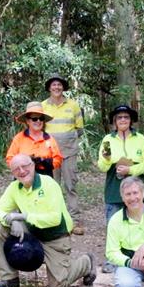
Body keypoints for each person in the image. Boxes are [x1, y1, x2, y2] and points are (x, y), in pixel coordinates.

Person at [0, 154, 95, 287]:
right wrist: (12, 221)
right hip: (33, 233)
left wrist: (23, 216)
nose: (21, 171)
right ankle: (9, 278)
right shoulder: (14, 187)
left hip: (55, 237)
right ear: (13, 173)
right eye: (16, 169)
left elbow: (55, 219)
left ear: (32, 166)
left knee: (57, 286)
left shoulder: (48, 184)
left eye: (25, 166)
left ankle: (86, 263)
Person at [97, 104, 144, 272]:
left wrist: (131, 170)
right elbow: (102, 165)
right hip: (114, 185)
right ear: (115, 121)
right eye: (119, 117)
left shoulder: (139, 138)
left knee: (138, 221)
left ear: (131, 120)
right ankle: (112, 259)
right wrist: (107, 160)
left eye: (126, 117)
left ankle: (140, 256)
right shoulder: (108, 139)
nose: (123, 120)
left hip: (136, 184)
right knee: (113, 221)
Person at [41, 73, 85, 234]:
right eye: (53, 85)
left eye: (59, 85)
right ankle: (55, 219)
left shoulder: (73, 105)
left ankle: (73, 221)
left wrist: (67, 140)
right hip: (49, 154)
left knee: (70, 185)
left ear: (63, 87)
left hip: (69, 152)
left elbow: (79, 129)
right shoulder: (43, 106)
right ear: (49, 88)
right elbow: (39, 128)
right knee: (52, 186)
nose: (57, 87)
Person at [5, 102, 63, 177]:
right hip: (23, 176)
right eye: (34, 119)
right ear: (28, 121)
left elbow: (58, 159)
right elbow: (10, 159)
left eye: (41, 118)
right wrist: (22, 166)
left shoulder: (49, 139)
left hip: (45, 176)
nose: (38, 121)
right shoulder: (19, 138)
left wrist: (45, 162)